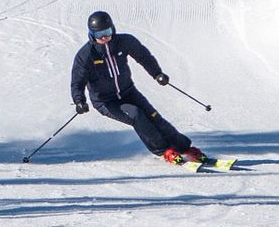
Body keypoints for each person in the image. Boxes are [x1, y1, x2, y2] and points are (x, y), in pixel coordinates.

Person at [71, 11, 204, 164]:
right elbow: (77, 81)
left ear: (112, 29)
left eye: (107, 32)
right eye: (99, 34)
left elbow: (144, 57)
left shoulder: (124, 41)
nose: (104, 37)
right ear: (91, 34)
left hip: (129, 92)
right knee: (137, 115)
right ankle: (164, 151)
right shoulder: (86, 54)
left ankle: (184, 148)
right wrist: (79, 100)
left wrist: (157, 74)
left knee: (154, 116)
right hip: (106, 101)